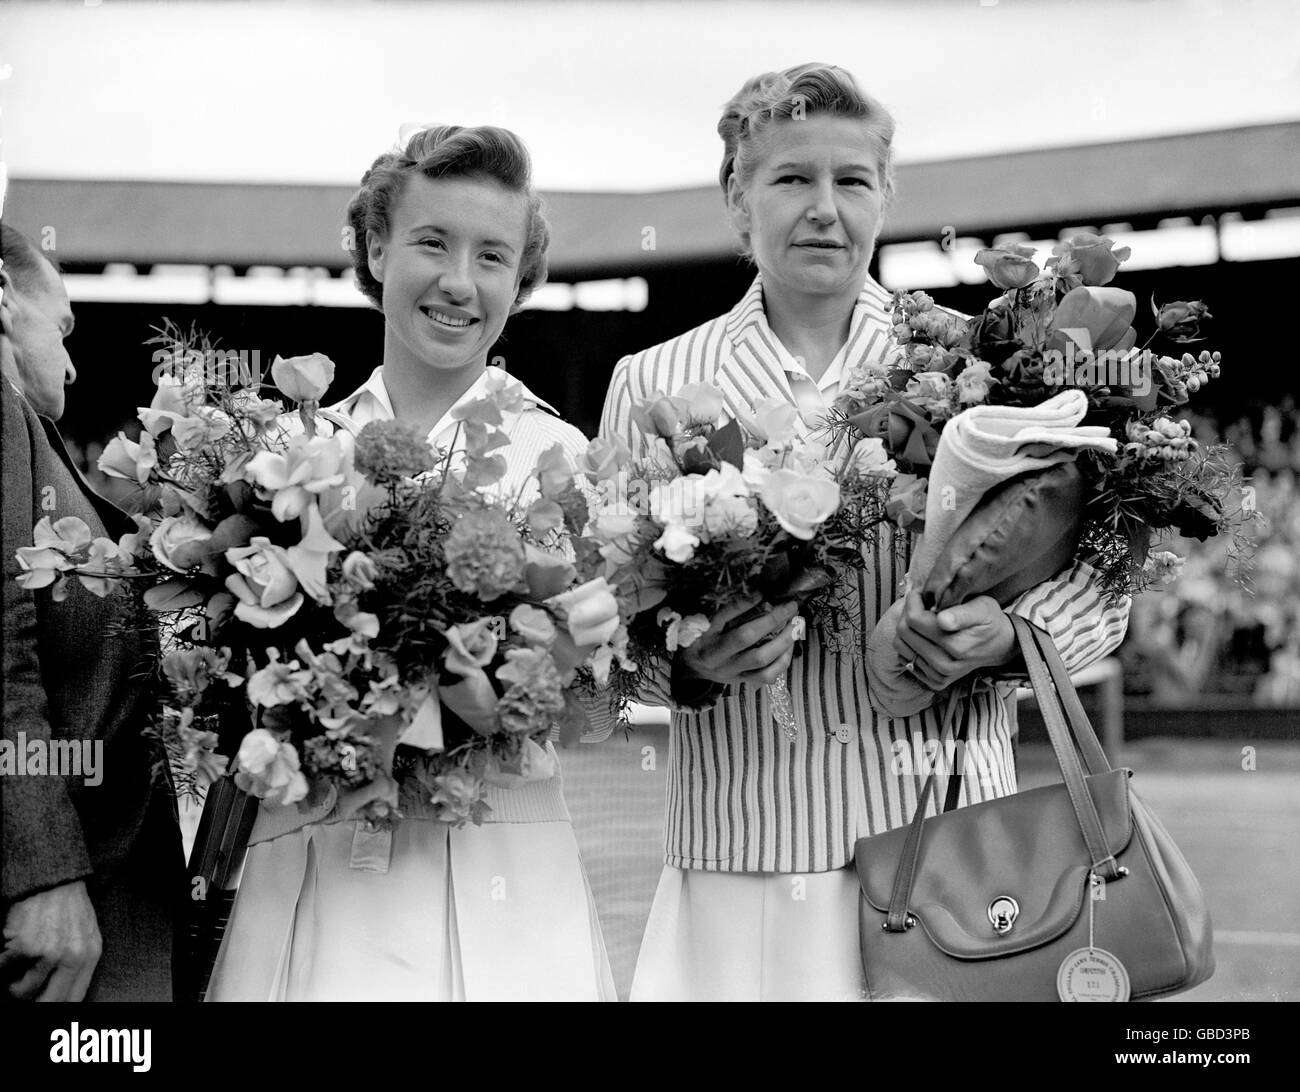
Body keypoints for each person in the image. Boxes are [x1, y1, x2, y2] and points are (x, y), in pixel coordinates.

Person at [598, 63, 1132, 1001]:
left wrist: (1013, 636)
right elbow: (600, 639)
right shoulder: (649, 383)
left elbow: (1102, 584)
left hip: (954, 851)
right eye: (791, 179)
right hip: (745, 857)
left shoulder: (987, 362)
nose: (823, 208)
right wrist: (688, 664)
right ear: (736, 196)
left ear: (886, 195)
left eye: (850, 180)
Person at [207, 125, 617, 1002]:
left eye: (493, 256)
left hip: (506, 879)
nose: (460, 283)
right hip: (315, 872)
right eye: (433, 242)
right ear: (377, 246)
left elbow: (603, 696)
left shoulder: (567, 458)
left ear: (521, 280)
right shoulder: (286, 449)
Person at [1, 224, 185, 1001]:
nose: (72, 361)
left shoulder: (27, 430)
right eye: (63, 327)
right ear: (4, 296)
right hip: (63, 895)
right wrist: (42, 872)